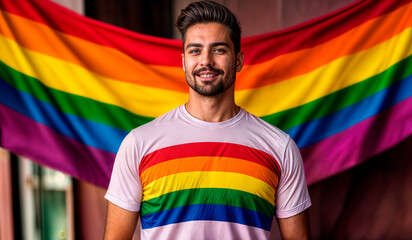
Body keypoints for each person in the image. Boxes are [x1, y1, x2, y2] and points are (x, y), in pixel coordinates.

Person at [104, 1, 311, 239]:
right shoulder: (139, 144)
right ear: (183, 61)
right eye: (195, 50)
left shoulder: (279, 147)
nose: (206, 61)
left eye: (219, 49)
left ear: (239, 60)